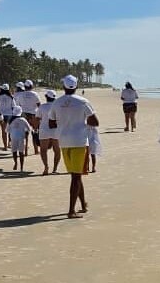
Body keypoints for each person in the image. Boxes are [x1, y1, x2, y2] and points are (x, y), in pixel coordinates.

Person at [48, 75, 99, 219]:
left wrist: (64, 123)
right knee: (76, 177)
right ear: (76, 86)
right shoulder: (83, 102)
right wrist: (79, 121)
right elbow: (95, 121)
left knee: (76, 174)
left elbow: (51, 123)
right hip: (79, 141)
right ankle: (71, 210)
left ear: (64, 86)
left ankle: (83, 204)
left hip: (63, 141)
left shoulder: (57, 103)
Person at [36, 89, 60, 175]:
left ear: (46, 97)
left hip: (44, 129)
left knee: (43, 150)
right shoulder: (58, 107)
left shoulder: (42, 107)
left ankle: (46, 167)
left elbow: (37, 119)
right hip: (56, 130)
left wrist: (35, 128)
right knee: (57, 150)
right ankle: (55, 169)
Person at [19, 79, 41, 155]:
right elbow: (39, 105)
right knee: (34, 132)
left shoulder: (20, 94)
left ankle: (25, 151)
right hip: (33, 115)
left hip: (23, 114)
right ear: (31, 86)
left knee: (25, 133)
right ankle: (36, 150)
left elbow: (19, 105)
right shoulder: (35, 94)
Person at [8, 106, 31, 172]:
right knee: (21, 153)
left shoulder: (10, 120)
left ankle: (15, 163)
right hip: (21, 137)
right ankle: (21, 167)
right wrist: (26, 132)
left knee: (14, 151)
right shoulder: (23, 119)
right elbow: (29, 129)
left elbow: (7, 130)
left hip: (13, 137)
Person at [0, 84, 16, 149]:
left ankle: (5, 146)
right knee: (10, 130)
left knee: (3, 131)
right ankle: (10, 143)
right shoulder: (11, 97)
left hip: (1, 115)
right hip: (10, 115)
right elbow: (14, 107)